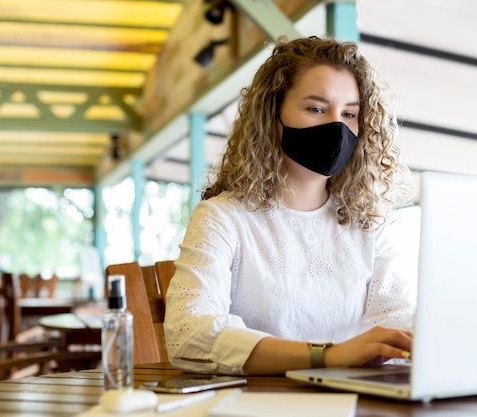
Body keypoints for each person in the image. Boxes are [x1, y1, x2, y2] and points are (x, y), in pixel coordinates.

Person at [164, 36, 416, 376]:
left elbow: (397, 322)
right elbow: (190, 335)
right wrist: (325, 356)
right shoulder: (223, 218)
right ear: (273, 115)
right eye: (316, 108)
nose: (337, 127)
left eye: (349, 113)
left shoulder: (371, 226)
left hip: (354, 404)